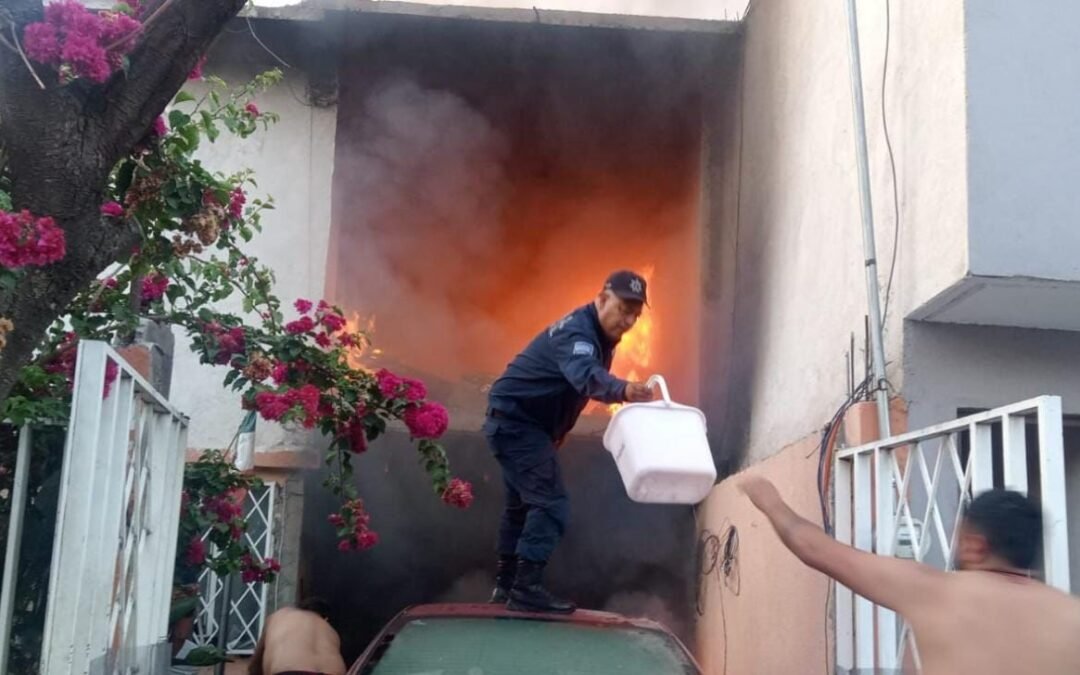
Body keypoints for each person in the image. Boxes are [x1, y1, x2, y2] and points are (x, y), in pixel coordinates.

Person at [741, 475, 1080, 674]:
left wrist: (767, 498)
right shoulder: (1071, 615)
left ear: (976, 545)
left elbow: (812, 548)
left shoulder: (936, 592)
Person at [484, 269, 657, 614]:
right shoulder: (579, 332)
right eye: (623, 309)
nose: (628, 321)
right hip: (518, 423)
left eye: (635, 316)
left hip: (517, 423)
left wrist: (554, 435)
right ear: (602, 298)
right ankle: (525, 589)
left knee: (522, 507)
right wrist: (623, 389)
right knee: (551, 504)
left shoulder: (596, 336)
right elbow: (584, 376)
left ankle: (506, 586)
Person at [249, 597, 346, 675]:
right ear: (326, 618)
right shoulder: (331, 630)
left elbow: (255, 665)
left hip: (289, 671)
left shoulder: (280, 615)